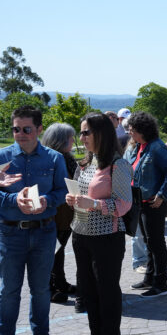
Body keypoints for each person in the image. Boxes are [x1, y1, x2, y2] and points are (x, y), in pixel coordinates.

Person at [0, 105, 68, 334]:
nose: (20, 134)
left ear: (39, 129)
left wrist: (46, 201)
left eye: (26, 129)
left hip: (43, 233)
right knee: (9, 290)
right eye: (15, 129)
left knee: (40, 290)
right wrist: (13, 199)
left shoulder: (55, 159)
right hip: (10, 235)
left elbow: (62, 192)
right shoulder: (2, 157)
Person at [66, 113, 132, 334]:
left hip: (107, 238)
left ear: (101, 134)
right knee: (89, 293)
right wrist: (73, 199)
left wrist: (93, 203)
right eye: (81, 132)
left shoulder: (117, 164)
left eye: (86, 132)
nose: (81, 137)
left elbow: (123, 205)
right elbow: (81, 193)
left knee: (107, 293)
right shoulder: (86, 162)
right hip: (80, 234)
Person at [125, 112, 167, 297]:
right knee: (148, 242)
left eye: (131, 129)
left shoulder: (157, 148)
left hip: (154, 203)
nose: (129, 132)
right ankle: (150, 278)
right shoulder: (139, 146)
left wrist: (162, 195)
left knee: (156, 243)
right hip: (140, 202)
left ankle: (161, 283)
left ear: (142, 130)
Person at [41, 123, 78, 304]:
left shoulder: (68, 158)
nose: (73, 141)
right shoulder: (49, 160)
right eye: (70, 138)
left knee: (59, 250)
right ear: (60, 140)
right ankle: (50, 288)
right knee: (50, 252)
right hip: (52, 215)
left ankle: (60, 283)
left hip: (65, 216)